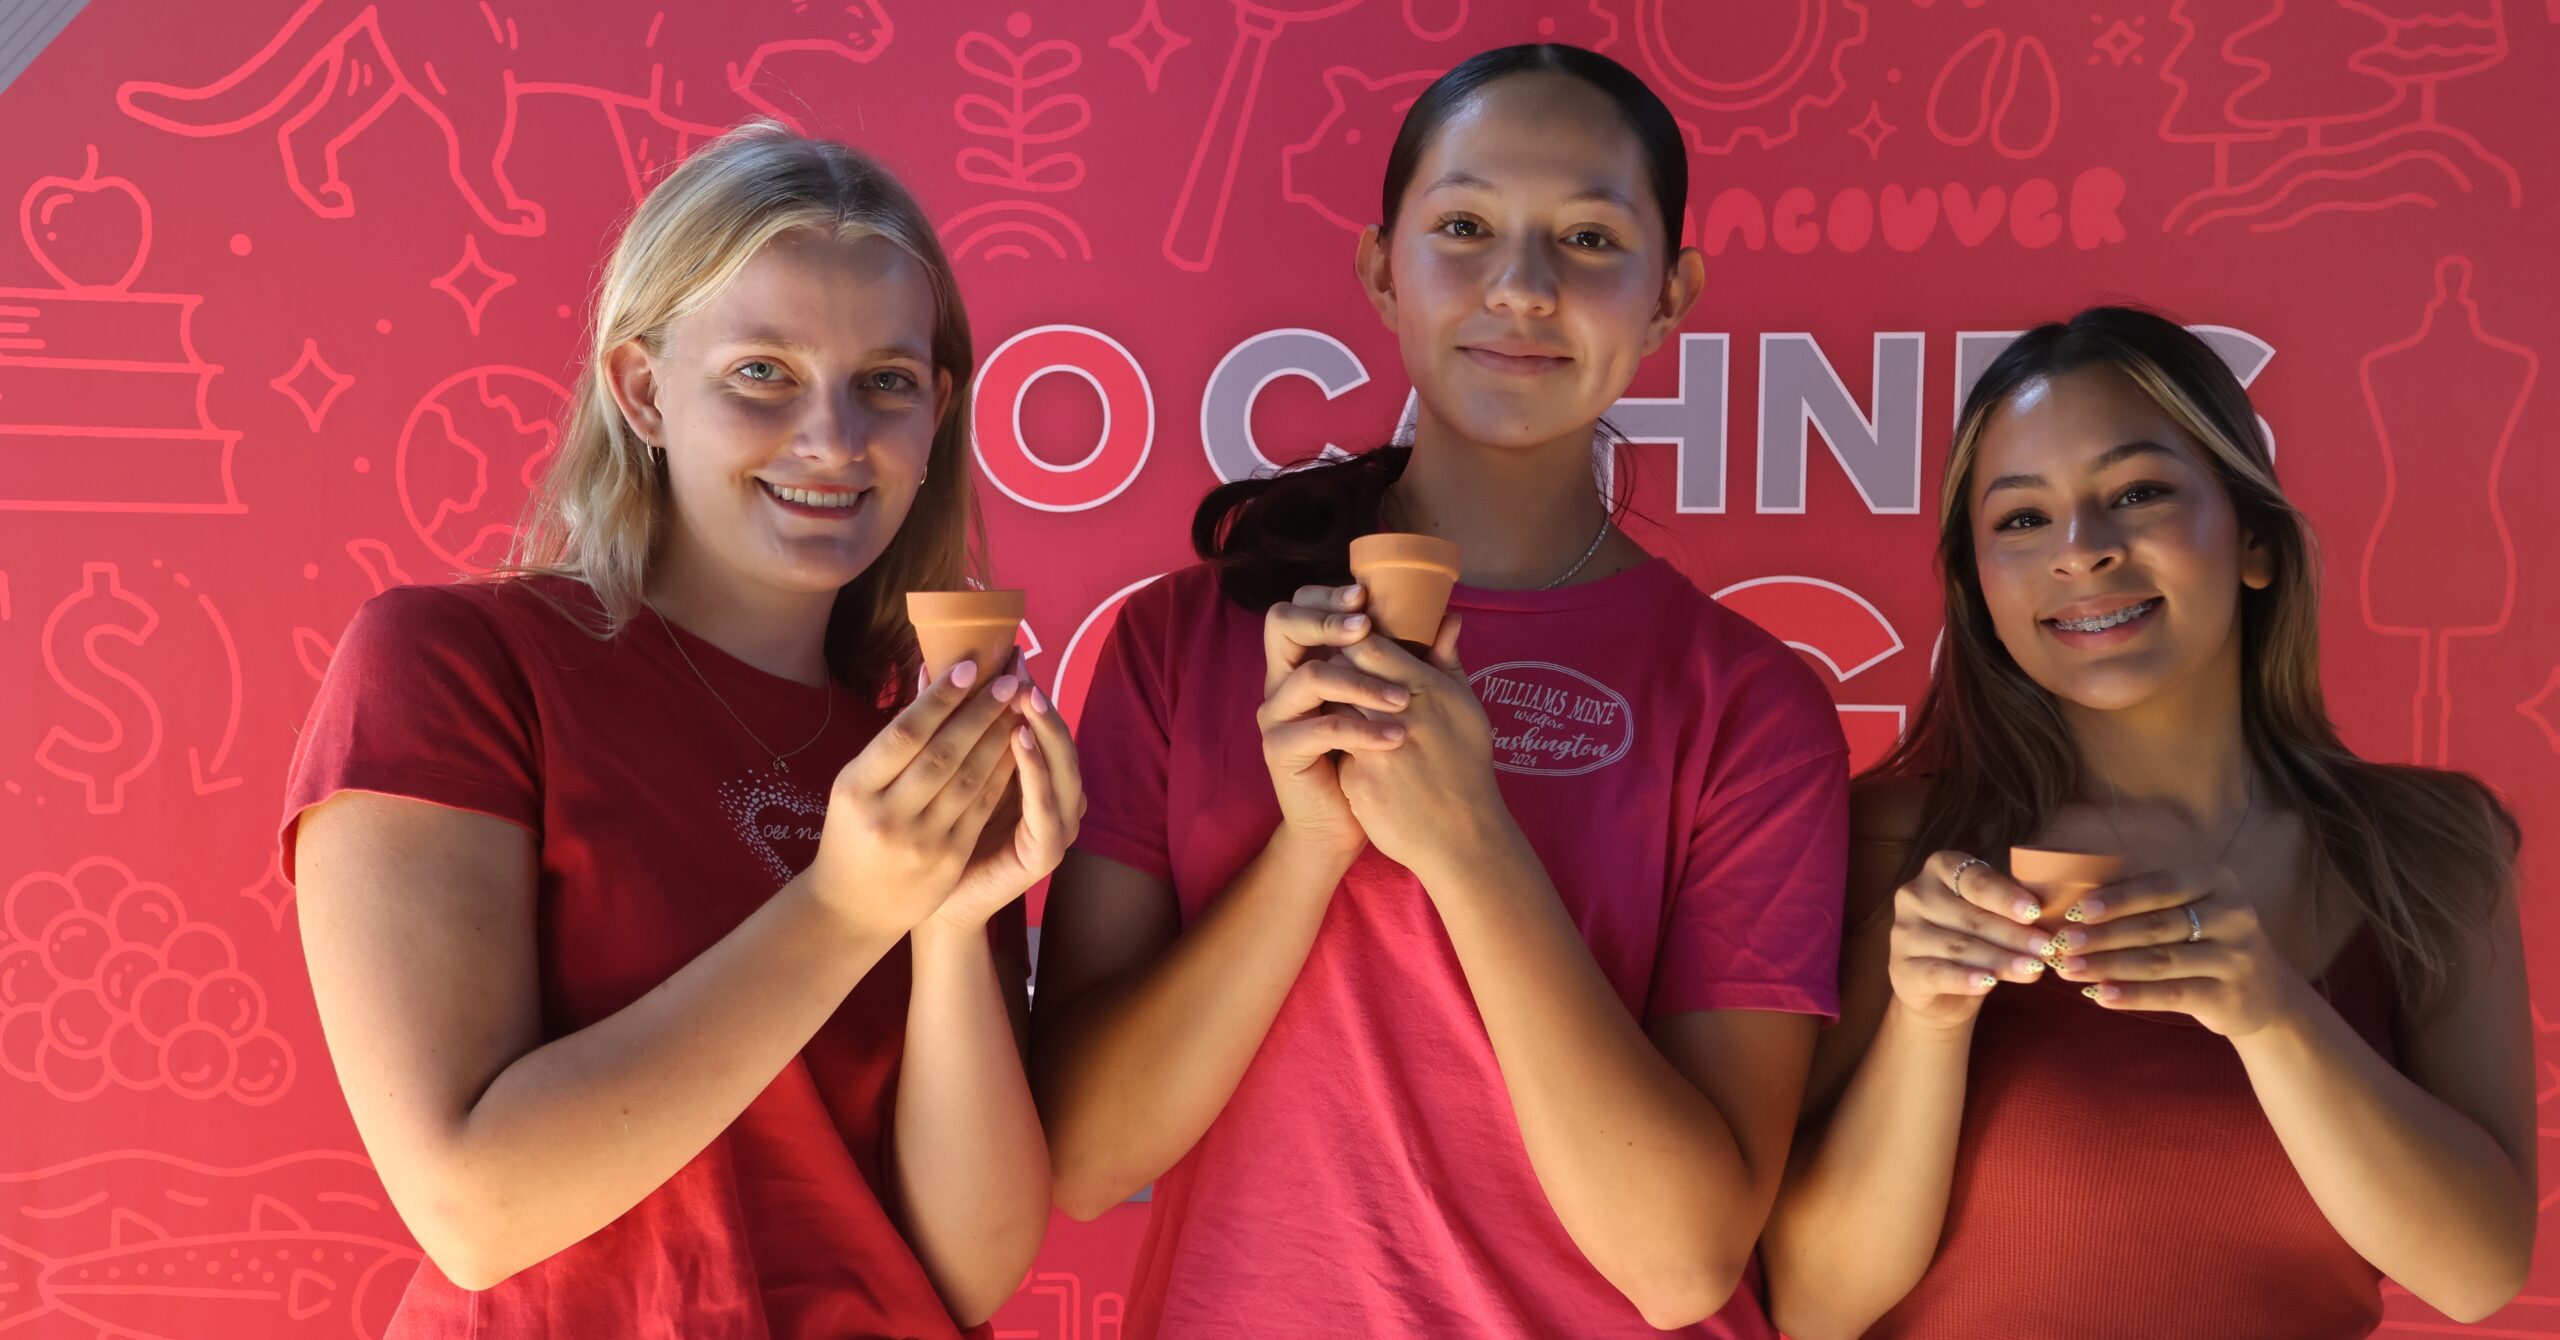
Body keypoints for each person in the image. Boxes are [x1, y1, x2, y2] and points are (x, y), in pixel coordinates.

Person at [1030, 44, 1849, 1337]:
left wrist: (1470, 845)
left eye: (1589, 238)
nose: (1522, 288)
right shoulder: (1177, 643)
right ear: (1380, 269)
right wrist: (1308, 851)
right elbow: (1081, 1158)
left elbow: (1683, 1264)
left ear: (1671, 295)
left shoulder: (1748, 706)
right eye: (1464, 227)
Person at [282, 122, 1075, 1338]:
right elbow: (474, 1206)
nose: (834, 438)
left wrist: (955, 918)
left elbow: (965, 1268)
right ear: (642, 388)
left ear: (936, 415)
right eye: (763, 370)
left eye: (886, 382)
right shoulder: (456, 664)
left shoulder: (922, 743)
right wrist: (850, 906)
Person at [1763, 307, 2534, 1339]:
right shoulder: (1893, 842)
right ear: (1978, 586)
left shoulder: (2428, 845)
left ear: (2253, 540)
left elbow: (2478, 1268)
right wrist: (1927, 1022)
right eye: (2022, 519)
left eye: (2137, 493)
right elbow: (1811, 1307)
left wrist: (2270, 1014)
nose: (2080, 551)